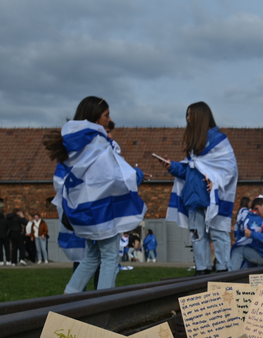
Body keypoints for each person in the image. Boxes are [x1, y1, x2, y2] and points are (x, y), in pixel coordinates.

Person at [43, 96, 148, 293]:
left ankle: (69, 297)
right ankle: (104, 304)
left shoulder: (75, 145)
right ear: (95, 117)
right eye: (106, 115)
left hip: (83, 211)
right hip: (102, 211)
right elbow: (113, 177)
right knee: (109, 257)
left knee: (92, 256)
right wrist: (138, 175)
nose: (109, 119)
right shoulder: (98, 144)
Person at [164, 101, 239, 275]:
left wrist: (216, 181)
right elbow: (190, 170)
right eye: (187, 115)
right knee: (197, 235)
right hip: (194, 196)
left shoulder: (219, 141)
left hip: (213, 196)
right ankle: (202, 269)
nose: (188, 119)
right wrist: (171, 166)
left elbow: (230, 168)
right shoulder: (193, 144)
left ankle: (223, 269)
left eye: (190, 115)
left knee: (219, 233)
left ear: (200, 117)